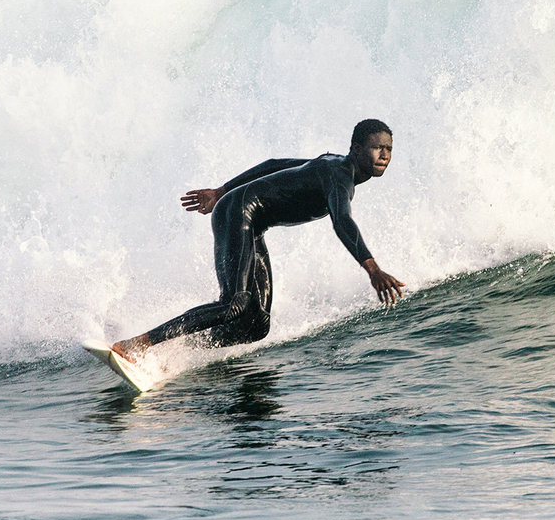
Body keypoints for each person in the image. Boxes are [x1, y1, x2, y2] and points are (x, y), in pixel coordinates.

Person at [111, 119, 404, 363]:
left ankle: (170, 352)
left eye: (389, 148)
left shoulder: (330, 165)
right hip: (237, 210)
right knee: (234, 303)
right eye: (377, 147)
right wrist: (373, 270)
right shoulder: (338, 175)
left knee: (256, 325)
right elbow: (342, 221)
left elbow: (273, 164)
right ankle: (138, 344)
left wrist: (220, 190)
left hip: (253, 224)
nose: (385, 155)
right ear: (356, 148)